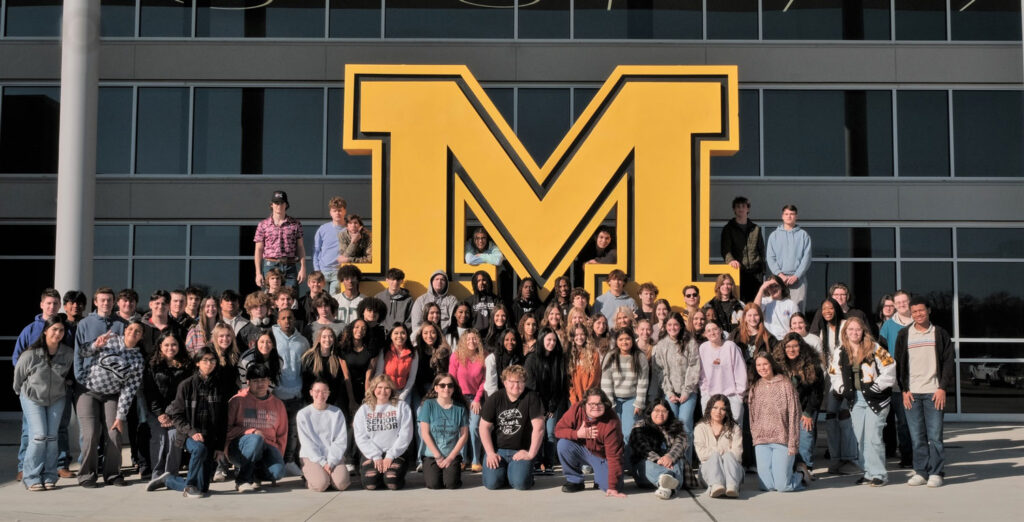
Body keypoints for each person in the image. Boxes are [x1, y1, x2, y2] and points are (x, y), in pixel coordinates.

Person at [148, 347, 231, 498]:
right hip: (187, 434)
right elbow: (177, 416)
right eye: (205, 360)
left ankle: (168, 480)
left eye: (212, 360)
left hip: (209, 438)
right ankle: (190, 486)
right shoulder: (186, 385)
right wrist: (192, 432)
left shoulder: (220, 386)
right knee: (199, 449)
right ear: (197, 363)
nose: (209, 363)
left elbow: (223, 420)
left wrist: (219, 447)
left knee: (203, 488)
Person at [76, 318, 145, 487]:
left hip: (112, 396)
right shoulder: (110, 340)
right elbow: (82, 352)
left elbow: (129, 390)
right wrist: (95, 345)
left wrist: (120, 416)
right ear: (125, 330)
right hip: (88, 392)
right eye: (130, 329)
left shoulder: (138, 360)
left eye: (137, 331)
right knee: (91, 434)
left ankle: (113, 474)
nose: (133, 333)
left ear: (141, 336)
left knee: (114, 433)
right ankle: (87, 475)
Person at [828, 317, 896, 486]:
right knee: (861, 437)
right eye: (850, 329)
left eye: (858, 329)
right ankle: (868, 472)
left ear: (863, 331)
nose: (854, 332)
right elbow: (834, 373)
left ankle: (879, 474)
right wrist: (842, 388)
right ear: (845, 332)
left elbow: (890, 367)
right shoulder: (840, 351)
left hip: (876, 399)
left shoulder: (875, 348)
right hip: (855, 400)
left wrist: (877, 386)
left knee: (874, 437)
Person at [895, 297, 954, 488]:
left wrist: (942, 388)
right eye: (914, 312)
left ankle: (936, 472)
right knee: (917, 437)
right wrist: (904, 390)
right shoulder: (904, 334)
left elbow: (948, 363)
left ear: (929, 310)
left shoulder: (940, 333)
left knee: (935, 436)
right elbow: (899, 364)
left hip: (933, 393)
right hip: (912, 394)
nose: (918, 314)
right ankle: (920, 472)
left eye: (921, 310)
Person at [12, 289, 67, 483]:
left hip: (56, 393)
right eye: (49, 303)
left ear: (59, 305)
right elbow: (18, 358)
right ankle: (24, 468)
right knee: (31, 432)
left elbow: (69, 357)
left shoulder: (64, 328)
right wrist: (26, 383)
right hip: (33, 393)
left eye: (55, 303)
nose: (52, 307)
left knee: (55, 432)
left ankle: (57, 467)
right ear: (42, 305)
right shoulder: (30, 329)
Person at [479, 365, 545, 490]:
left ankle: (520, 474)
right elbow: (483, 427)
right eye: (512, 381)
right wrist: (490, 453)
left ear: (524, 382)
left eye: (520, 381)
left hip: (521, 451)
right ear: (504, 382)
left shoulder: (532, 397)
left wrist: (530, 454)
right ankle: (507, 474)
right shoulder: (495, 398)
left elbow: (539, 428)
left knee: (521, 484)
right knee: (492, 483)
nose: (516, 385)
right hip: (498, 450)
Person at [748, 352, 806, 492]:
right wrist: (755, 435)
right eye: (758, 365)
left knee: (782, 486)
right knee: (767, 486)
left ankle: (801, 475)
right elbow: (752, 415)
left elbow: (794, 414)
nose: (762, 368)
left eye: (765, 364)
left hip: (782, 440)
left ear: (772, 364)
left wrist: (793, 443)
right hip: (761, 440)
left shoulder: (785, 384)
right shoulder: (756, 386)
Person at [226, 364, 289, 492]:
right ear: (248, 382)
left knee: (278, 472)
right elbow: (225, 430)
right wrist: (252, 432)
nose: (260, 384)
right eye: (255, 381)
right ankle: (243, 481)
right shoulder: (237, 401)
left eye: (263, 380)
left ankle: (253, 474)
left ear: (269, 381)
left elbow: (282, 434)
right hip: (240, 449)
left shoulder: (278, 404)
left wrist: (277, 456)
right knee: (255, 439)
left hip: (267, 448)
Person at [555, 387, 626, 497]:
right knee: (563, 444)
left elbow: (614, 457)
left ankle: (600, 477)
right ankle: (575, 480)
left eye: (599, 404)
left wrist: (612, 486)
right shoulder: (576, 409)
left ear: (605, 404)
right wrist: (577, 434)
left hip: (603, 456)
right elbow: (558, 430)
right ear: (584, 404)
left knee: (611, 487)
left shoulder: (612, 422)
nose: (595, 407)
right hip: (583, 450)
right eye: (591, 404)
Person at [143, 332, 193, 481]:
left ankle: (171, 474)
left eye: (174, 344)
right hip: (156, 411)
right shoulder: (151, 365)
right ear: (160, 346)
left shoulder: (187, 365)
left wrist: (171, 413)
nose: (170, 348)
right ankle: (157, 474)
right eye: (166, 345)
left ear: (179, 346)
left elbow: (186, 393)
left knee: (174, 436)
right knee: (159, 437)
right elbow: (150, 392)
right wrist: (160, 413)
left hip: (178, 411)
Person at [772, 333, 824, 475]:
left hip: (805, 407)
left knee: (805, 435)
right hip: (785, 409)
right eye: (788, 347)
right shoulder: (777, 365)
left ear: (801, 347)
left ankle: (806, 469)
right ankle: (790, 467)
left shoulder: (812, 364)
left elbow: (817, 391)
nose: (791, 349)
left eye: (795, 346)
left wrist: (808, 412)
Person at [651, 313, 700, 460]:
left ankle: (686, 461)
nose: (673, 328)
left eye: (676, 325)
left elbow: (694, 366)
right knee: (670, 426)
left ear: (681, 326)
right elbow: (660, 371)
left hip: (688, 392)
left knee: (685, 424)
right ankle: (672, 459)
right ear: (665, 326)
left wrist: (686, 391)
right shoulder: (661, 345)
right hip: (670, 392)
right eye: (669, 325)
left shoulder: (690, 342)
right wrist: (669, 392)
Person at [353, 374, 415, 490]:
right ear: (373, 389)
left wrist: (391, 455)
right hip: (372, 454)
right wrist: (375, 456)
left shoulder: (401, 406)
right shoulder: (364, 409)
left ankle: (389, 476)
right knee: (370, 484)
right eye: (379, 387)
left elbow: (406, 434)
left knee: (392, 482)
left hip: (396, 453)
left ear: (392, 390)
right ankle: (379, 476)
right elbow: (360, 437)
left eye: (387, 388)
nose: (383, 391)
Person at [525, 328, 568, 474]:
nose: (552, 343)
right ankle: (537, 463)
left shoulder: (558, 359)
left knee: (550, 433)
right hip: (536, 404)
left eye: (554, 340)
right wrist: (541, 408)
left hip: (552, 405)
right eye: (549, 339)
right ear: (541, 340)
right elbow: (530, 385)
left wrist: (551, 407)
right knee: (538, 432)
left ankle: (549, 463)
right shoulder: (532, 359)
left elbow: (560, 386)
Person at [271, 308, 308, 476]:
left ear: (295, 320)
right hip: (276, 394)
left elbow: (306, 366)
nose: (287, 321)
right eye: (283, 318)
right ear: (278, 321)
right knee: (276, 431)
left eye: (290, 318)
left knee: (293, 431)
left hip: (296, 393)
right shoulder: (272, 336)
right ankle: (276, 461)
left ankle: (290, 461)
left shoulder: (302, 341)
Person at [296, 380, 351, 492]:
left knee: (341, 484)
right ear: (311, 392)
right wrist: (322, 462)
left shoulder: (336, 412)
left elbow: (340, 440)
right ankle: (310, 478)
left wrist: (331, 462)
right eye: (317, 391)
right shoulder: (303, 414)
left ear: (328, 393)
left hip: (333, 456)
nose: (320, 395)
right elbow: (307, 443)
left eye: (324, 391)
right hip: (312, 457)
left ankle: (327, 477)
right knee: (321, 485)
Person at [418, 373, 470, 489]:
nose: (446, 388)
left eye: (450, 385)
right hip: (432, 455)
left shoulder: (460, 408)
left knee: (451, 484)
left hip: (451, 455)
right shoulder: (428, 405)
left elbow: (464, 435)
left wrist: (450, 457)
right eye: (442, 385)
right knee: (434, 484)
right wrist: (438, 456)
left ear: (453, 389)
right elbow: (425, 433)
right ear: (436, 388)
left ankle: (451, 471)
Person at [628, 399, 687, 500]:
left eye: (664, 411)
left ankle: (666, 488)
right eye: (656, 410)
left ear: (669, 412)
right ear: (650, 411)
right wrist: (658, 460)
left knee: (677, 461)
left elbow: (680, 444)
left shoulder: (676, 426)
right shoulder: (640, 425)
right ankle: (667, 480)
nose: (660, 414)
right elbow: (641, 446)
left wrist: (670, 457)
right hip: (648, 470)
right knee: (647, 464)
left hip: (670, 464)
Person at [600, 327, 649, 445]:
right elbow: (606, 382)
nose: (624, 342)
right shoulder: (611, 356)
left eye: (627, 339)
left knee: (628, 433)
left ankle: (627, 457)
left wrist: (639, 403)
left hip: (631, 399)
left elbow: (643, 382)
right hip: (614, 399)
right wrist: (609, 403)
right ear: (616, 341)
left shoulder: (640, 356)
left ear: (632, 340)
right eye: (621, 339)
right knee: (614, 432)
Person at [447, 329, 487, 472]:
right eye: (468, 339)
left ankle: (476, 459)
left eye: (474, 338)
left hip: (476, 398)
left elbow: (484, 381)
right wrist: (456, 398)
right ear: (463, 341)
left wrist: (477, 399)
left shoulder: (483, 356)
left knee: (474, 426)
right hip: (459, 397)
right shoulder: (456, 356)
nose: (471, 341)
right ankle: (463, 459)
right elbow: (452, 378)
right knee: (461, 427)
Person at [254, 190, 307, 289]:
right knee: (270, 296)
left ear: (286, 205)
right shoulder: (263, 225)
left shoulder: (295, 224)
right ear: (271, 205)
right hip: (270, 265)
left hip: (290, 265)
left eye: (282, 203)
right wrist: (258, 273)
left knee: (290, 295)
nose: (279, 206)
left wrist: (303, 267)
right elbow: (258, 249)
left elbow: (300, 247)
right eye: (276, 203)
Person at [693, 394, 744, 498]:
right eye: (715, 408)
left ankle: (732, 487)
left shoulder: (735, 428)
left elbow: (737, 454)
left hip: (732, 471)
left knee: (729, 456)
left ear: (727, 411)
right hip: (709, 471)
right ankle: (716, 485)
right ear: (709, 409)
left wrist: (723, 455)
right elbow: (702, 454)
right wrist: (721, 452)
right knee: (715, 457)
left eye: (722, 409)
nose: (718, 412)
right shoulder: (700, 428)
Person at [766, 204, 812, 312]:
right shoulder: (774, 235)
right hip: (778, 280)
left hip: (798, 281)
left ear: (796, 216)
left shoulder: (803, 235)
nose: (789, 216)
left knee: (797, 311)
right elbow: (770, 257)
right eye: (786, 214)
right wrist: (780, 275)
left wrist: (796, 275)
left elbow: (806, 258)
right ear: (782, 216)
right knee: (777, 310)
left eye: (792, 214)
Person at [301, 328, 357, 415]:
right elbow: (305, 382)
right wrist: (311, 401)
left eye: (331, 336)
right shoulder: (309, 357)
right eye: (324, 337)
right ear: (319, 339)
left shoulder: (337, 358)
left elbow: (338, 383)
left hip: (331, 404)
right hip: (312, 403)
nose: (327, 339)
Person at [697, 321, 746, 419]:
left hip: (731, 396)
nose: (712, 333)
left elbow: (740, 371)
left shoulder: (730, 346)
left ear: (720, 330)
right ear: (705, 334)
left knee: (733, 426)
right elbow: (702, 374)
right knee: (711, 426)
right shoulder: (703, 348)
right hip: (710, 397)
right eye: (708, 331)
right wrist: (704, 393)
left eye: (715, 329)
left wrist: (739, 396)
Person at [721, 196, 766, 303]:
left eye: (743, 206)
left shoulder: (755, 228)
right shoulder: (728, 229)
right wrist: (731, 260)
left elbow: (761, 250)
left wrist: (762, 268)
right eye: (738, 207)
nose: (741, 209)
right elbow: (725, 249)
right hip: (739, 271)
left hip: (756, 272)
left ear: (748, 209)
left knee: (756, 303)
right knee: (740, 302)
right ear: (734, 209)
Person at [375, 323, 418, 404]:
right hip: (386, 390)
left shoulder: (413, 353)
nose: (399, 336)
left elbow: (412, 378)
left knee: (403, 409)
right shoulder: (384, 351)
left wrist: (402, 396)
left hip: (403, 390)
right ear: (391, 336)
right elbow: (378, 373)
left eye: (403, 333)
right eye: (396, 333)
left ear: (407, 335)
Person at [313, 196, 348, 294]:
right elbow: (316, 251)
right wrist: (317, 270)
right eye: (334, 211)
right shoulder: (323, 229)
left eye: (340, 210)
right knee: (321, 299)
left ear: (344, 211)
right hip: (323, 271)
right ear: (330, 212)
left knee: (334, 299)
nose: (337, 213)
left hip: (339, 271)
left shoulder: (349, 229)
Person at [566, 324, 601, 406]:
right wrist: (574, 399)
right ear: (572, 337)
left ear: (586, 336)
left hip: (589, 398)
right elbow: (569, 381)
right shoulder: (569, 355)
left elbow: (594, 378)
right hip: (573, 400)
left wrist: (586, 397)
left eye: (582, 334)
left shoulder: (594, 354)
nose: (579, 337)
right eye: (576, 335)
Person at [755, 276, 799, 341]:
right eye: (770, 286)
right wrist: (761, 289)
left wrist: (788, 338)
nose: (773, 289)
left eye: (775, 285)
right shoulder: (764, 302)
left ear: (781, 287)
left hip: (786, 340)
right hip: (768, 340)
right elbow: (754, 310)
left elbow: (797, 324)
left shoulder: (791, 304)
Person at [484, 328, 524, 396]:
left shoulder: (518, 357)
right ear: (502, 341)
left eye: (513, 340)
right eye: (506, 340)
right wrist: (497, 400)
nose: (510, 342)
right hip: (494, 395)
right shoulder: (492, 358)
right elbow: (491, 386)